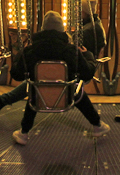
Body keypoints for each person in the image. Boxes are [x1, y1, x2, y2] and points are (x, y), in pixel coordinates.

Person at [8, 11, 109, 145]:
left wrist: (19, 57)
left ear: (43, 29)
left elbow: (16, 74)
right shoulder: (70, 51)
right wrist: (88, 55)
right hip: (66, 97)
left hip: (38, 98)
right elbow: (87, 73)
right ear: (62, 30)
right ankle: (97, 125)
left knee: (34, 87)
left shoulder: (30, 51)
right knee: (77, 90)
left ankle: (24, 133)